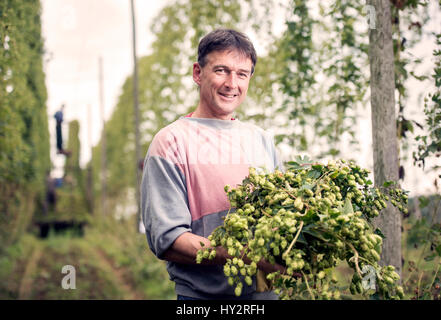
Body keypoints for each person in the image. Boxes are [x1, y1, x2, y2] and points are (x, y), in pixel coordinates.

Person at [141, 28, 285, 300]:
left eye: (242, 74)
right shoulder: (171, 142)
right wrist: (245, 257)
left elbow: (284, 216)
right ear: (198, 73)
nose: (232, 83)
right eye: (222, 70)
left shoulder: (263, 140)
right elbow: (168, 240)